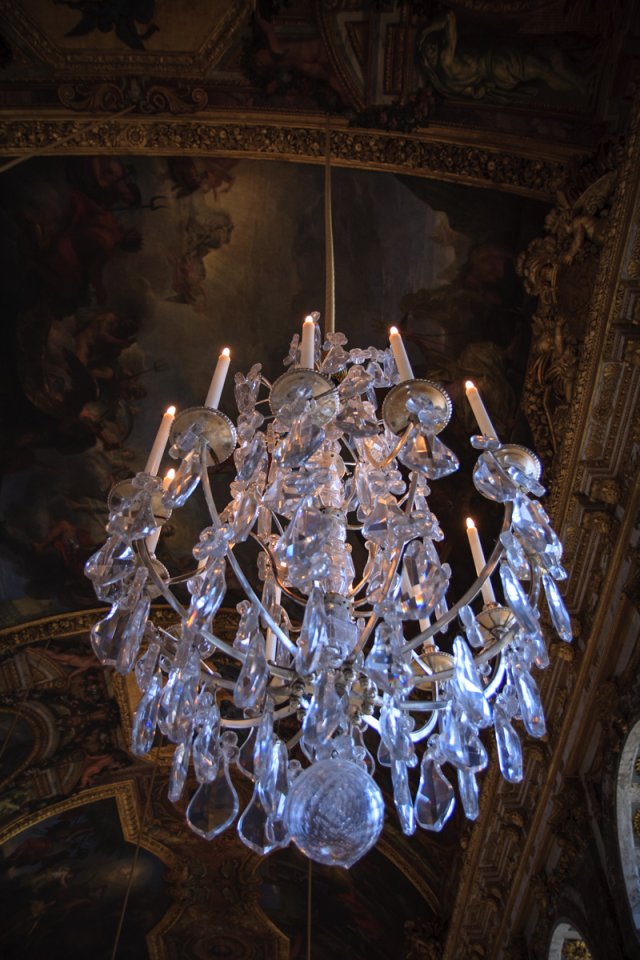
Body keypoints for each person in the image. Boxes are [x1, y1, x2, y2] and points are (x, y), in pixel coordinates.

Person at [418, 9, 589, 102]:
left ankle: (582, 85)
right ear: (429, 63)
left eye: (430, 44)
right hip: (499, 63)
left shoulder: (448, 81)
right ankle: (583, 88)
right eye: (428, 50)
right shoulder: (445, 60)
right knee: (545, 69)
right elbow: (449, 16)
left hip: (498, 69)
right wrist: (427, 30)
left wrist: (482, 82)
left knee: (552, 57)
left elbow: (474, 91)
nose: (432, 47)